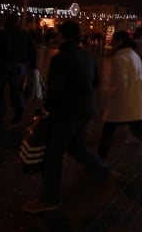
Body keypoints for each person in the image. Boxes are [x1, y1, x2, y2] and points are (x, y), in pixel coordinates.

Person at [23, 20, 116, 214]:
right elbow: (96, 81)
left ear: (62, 35)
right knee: (75, 146)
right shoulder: (88, 55)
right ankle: (104, 172)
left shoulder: (61, 58)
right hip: (86, 109)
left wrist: (48, 109)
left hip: (66, 113)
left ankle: (49, 198)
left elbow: (56, 90)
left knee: (53, 156)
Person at [98, 31, 142, 177]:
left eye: (113, 40)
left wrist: (111, 97)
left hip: (122, 105)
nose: (111, 43)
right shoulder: (133, 55)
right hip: (136, 102)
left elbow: (121, 84)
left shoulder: (119, 58)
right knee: (140, 132)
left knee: (107, 133)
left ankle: (98, 165)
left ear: (119, 41)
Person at [0, 13, 37, 125]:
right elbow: (32, 50)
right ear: (17, 22)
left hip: (3, 64)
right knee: (16, 89)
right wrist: (32, 66)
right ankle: (19, 107)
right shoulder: (24, 34)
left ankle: (1, 114)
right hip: (20, 65)